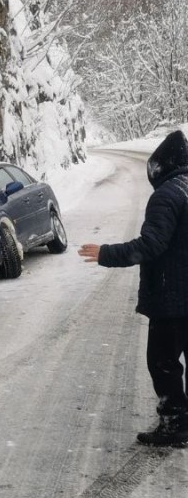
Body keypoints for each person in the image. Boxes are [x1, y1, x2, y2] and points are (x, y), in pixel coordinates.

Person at [79, 129, 188, 446]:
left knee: (163, 361)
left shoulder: (167, 195)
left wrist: (105, 254)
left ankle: (175, 423)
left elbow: (151, 245)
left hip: (172, 297)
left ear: (161, 166)